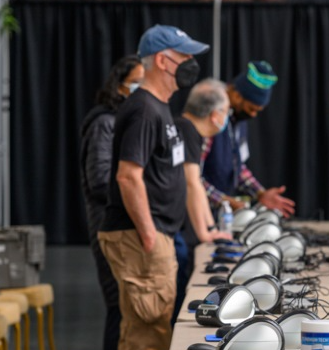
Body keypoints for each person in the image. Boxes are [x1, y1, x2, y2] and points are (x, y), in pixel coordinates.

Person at [97, 24, 209, 350]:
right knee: (147, 337)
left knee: (150, 330)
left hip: (155, 236)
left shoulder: (158, 106)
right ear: (162, 60)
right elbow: (127, 176)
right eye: (184, 56)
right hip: (142, 238)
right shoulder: (145, 109)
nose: (191, 62)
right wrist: (149, 235)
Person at [79, 55, 143, 350]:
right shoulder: (105, 123)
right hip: (110, 229)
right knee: (118, 307)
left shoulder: (127, 122)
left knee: (128, 310)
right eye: (136, 82)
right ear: (119, 87)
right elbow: (101, 181)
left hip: (125, 227)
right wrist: (140, 193)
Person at [172, 79, 234, 322]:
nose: (227, 117)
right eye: (227, 111)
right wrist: (206, 232)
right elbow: (192, 183)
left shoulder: (186, 130)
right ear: (215, 113)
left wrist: (212, 229)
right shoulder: (186, 130)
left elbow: (195, 182)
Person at [201, 61, 295, 217]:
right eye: (251, 109)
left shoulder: (239, 121)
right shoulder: (212, 119)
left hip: (219, 216)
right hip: (197, 214)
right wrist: (225, 201)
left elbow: (238, 166)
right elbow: (190, 176)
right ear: (236, 95)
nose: (253, 115)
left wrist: (260, 193)